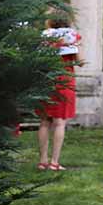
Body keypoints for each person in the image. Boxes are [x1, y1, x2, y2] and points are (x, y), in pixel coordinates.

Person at [36, 12, 79, 171]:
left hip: (46, 79)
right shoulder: (71, 35)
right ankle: (54, 162)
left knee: (44, 121)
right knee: (59, 122)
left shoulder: (44, 36)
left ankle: (42, 161)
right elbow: (77, 60)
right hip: (64, 80)